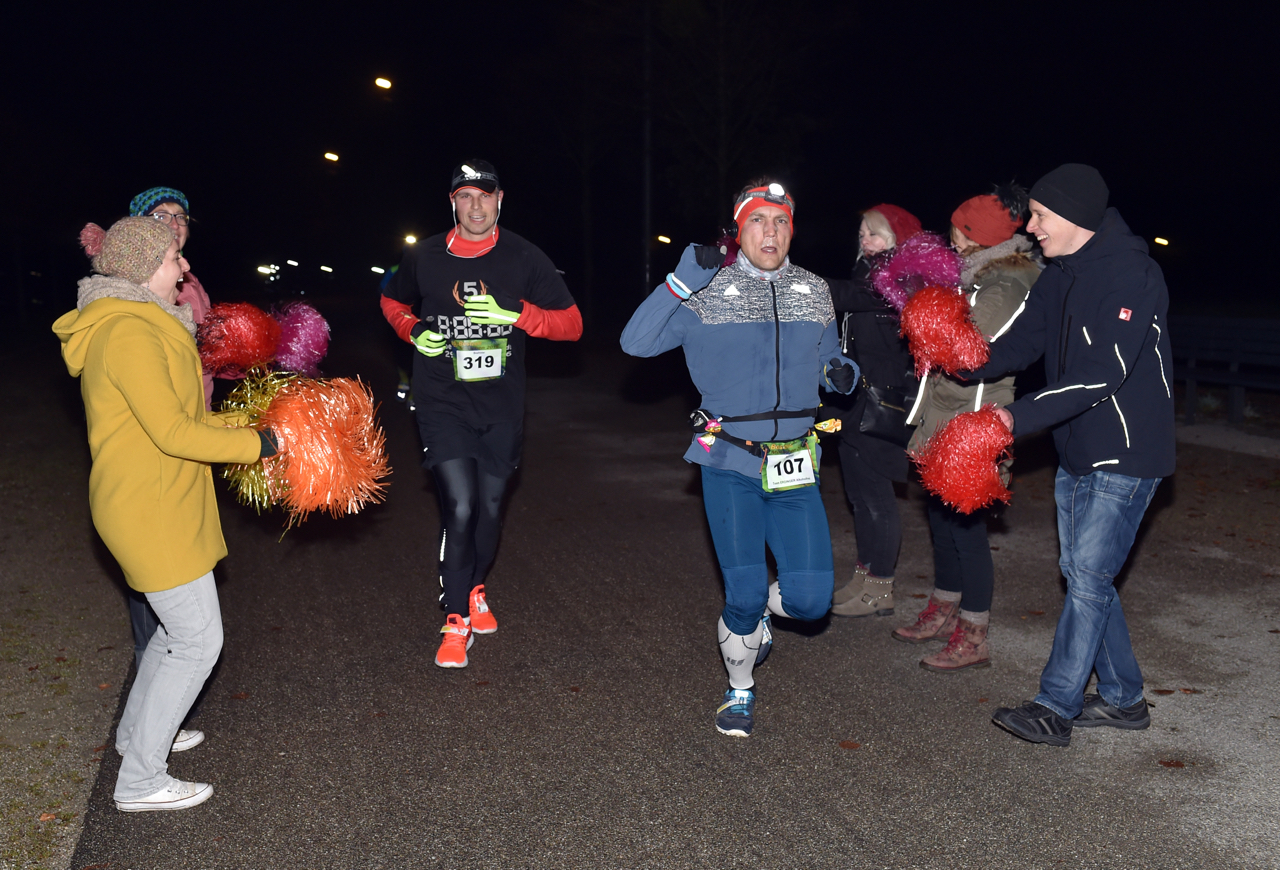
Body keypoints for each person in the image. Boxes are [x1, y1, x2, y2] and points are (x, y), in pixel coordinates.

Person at [54, 217, 277, 811]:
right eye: (174, 257)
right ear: (142, 266)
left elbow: (192, 420)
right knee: (199, 639)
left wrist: (253, 425)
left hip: (160, 499)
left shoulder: (148, 325)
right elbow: (174, 432)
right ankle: (141, 782)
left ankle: (134, 742)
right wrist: (260, 448)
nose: (183, 268)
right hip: (147, 507)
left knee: (174, 635)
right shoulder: (128, 333)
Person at [621, 179, 858, 737]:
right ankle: (739, 690)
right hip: (729, 461)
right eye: (758, 221)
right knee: (745, 593)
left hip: (796, 463)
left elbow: (829, 358)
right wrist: (679, 283)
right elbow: (635, 343)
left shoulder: (813, 289)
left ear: (791, 229)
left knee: (810, 601)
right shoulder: (706, 290)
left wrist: (839, 372)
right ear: (738, 229)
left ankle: (755, 626)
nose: (769, 233)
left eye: (780, 221)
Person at [968, 164, 1174, 745]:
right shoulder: (1058, 274)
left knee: (1086, 575)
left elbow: (1102, 373)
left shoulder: (1133, 274)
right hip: (1075, 448)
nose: (1030, 227)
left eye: (1039, 215)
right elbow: (1028, 340)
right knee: (1086, 575)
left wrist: (1014, 417)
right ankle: (1124, 699)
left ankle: (1055, 705)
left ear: (1075, 217)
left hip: (1127, 448)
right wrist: (967, 359)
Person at [380, 160, 582, 669]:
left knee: (491, 510)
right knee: (462, 506)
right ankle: (455, 620)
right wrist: (411, 331)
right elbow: (390, 298)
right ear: (452, 202)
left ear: (499, 200)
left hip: (501, 406)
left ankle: (474, 587)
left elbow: (573, 324)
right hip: (441, 401)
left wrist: (516, 314)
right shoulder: (423, 255)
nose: (475, 206)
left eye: (484, 196)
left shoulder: (524, 256)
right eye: (465, 196)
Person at [893, 184, 1041, 672]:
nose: (953, 242)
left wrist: (924, 308)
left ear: (981, 237)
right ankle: (945, 607)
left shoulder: (1006, 284)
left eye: (960, 234)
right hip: (944, 415)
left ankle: (975, 634)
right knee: (942, 522)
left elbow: (967, 350)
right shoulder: (973, 276)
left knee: (968, 532)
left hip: (975, 424)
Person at [123, 187, 214, 695]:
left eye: (180, 216)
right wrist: (254, 444)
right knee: (153, 579)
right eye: (160, 216)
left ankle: (156, 701)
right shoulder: (134, 298)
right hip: (160, 439)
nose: (174, 223)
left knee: (179, 566)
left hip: (191, 428)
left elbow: (203, 349)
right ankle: (152, 689)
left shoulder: (188, 283)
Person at [826, 204, 923, 618]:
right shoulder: (868, 274)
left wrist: (790, 279)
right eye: (863, 232)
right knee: (858, 495)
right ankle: (865, 576)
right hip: (855, 402)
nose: (866, 239)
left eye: (877, 233)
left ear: (897, 240)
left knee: (877, 497)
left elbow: (847, 297)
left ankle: (881, 587)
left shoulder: (901, 280)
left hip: (883, 403)